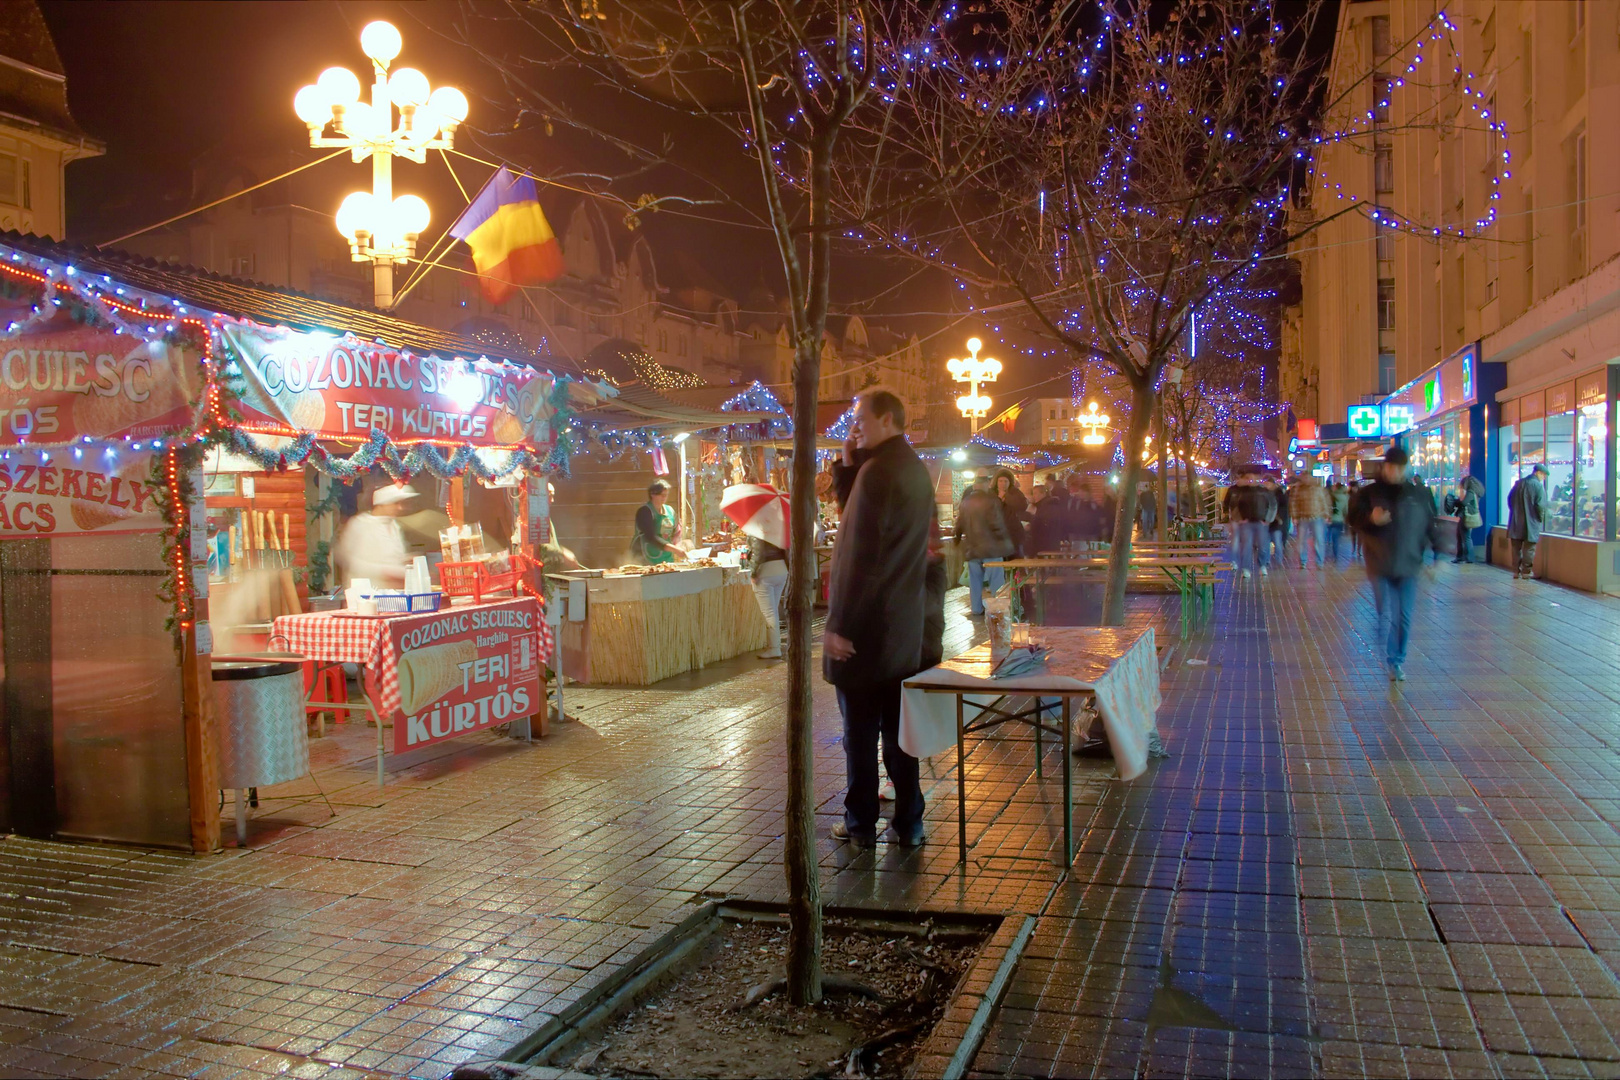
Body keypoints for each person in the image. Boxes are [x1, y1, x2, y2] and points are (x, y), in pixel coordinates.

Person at [823, 388, 932, 848]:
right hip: (901, 632)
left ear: (888, 419)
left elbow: (862, 555)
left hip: (868, 633)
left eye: (861, 417)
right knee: (898, 734)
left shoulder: (881, 473)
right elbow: (866, 522)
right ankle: (909, 822)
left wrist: (840, 624)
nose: (854, 425)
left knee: (861, 738)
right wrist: (849, 468)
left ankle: (860, 823)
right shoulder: (904, 468)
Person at [1347, 446, 1435, 682]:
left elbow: (1430, 525)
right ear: (1385, 467)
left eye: (1400, 468)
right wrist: (1371, 520)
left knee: (1403, 616)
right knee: (1382, 610)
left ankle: (1395, 660)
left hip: (1408, 564)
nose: (1395, 472)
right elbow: (1353, 519)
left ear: (1406, 468)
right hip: (1380, 561)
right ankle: (1381, 636)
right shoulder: (1370, 494)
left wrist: (1438, 558)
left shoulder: (1419, 494)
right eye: (1391, 467)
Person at [954, 474, 1014, 616]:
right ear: (985, 484)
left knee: (975, 582)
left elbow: (959, 524)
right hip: (991, 549)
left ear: (975, 485)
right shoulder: (990, 500)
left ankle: (976, 609)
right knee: (996, 582)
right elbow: (997, 524)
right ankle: (997, 609)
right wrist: (1007, 545)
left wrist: (956, 538)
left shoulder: (965, 502)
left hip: (973, 549)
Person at [335, 482, 414, 588]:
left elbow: (391, 557)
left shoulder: (394, 525)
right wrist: (385, 572)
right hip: (365, 593)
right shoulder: (361, 524)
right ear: (381, 504)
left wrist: (406, 560)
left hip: (391, 594)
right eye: (395, 504)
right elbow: (348, 560)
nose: (400, 508)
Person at [1223, 471, 1276, 579]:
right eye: (1249, 478)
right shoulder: (1242, 492)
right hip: (1247, 522)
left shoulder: (1263, 491)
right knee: (1247, 546)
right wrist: (1238, 518)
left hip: (1260, 521)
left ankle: (1261, 565)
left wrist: (1268, 519)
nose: (1250, 481)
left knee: (1262, 546)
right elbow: (1235, 505)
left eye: (1253, 478)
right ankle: (1246, 568)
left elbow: (1272, 505)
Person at [750, 532, 788, 659]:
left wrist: (753, 572)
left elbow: (757, 552)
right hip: (782, 569)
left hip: (766, 571)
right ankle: (774, 645)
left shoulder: (757, 528)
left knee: (769, 613)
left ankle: (774, 648)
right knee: (774, 611)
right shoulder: (776, 526)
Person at [1506, 464, 1546, 580]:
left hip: (1516, 522)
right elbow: (1540, 506)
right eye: (1543, 475)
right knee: (1529, 548)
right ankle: (1526, 572)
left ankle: (1515, 571)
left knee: (1516, 548)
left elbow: (1510, 500)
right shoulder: (1538, 486)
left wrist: (1515, 512)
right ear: (1538, 473)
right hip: (1531, 522)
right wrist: (1540, 518)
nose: (1543, 478)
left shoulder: (1518, 483)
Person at [633, 479, 685, 564]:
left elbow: (677, 531)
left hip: (666, 557)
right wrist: (674, 549)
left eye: (666, 495)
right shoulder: (644, 511)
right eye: (661, 495)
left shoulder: (670, 510)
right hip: (645, 556)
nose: (664, 498)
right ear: (652, 494)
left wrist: (678, 545)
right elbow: (650, 537)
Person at [1291, 473, 1329, 569]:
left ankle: (1320, 561)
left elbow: (1324, 501)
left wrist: (1326, 514)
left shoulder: (1318, 488)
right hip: (1303, 517)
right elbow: (1293, 503)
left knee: (1319, 540)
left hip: (1317, 516)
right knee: (1301, 541)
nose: (1307, 479)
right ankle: (1303, 561)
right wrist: (1294, 516)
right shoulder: (1298, 489)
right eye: (1305, 478)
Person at [1445, 475, 1485, 565]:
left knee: (1466, 538)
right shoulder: (1476, 492)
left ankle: (1468, 558)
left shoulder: (1471, 492)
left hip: (1466, 517)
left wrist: (1456, 501)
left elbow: (1464, 502)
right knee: (1461, 536)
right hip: (1466, 516)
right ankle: (1462, 557)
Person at [1028, 476, 1072, 555]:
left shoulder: (1048, 506)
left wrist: (1033, 518)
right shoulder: (1043, 505)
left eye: (1035, 493)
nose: (1034, 496)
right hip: (1046, 542)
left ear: (1043, 494)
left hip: (1046, 543)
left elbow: (1045, 524)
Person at [993, 469, 1030, 557]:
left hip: (1013, 533)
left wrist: (1006, 497)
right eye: (1000, 481)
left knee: (1017, 559)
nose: (1003, 483)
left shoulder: (1015, 493)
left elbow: (1022, 506)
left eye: (1006, 481)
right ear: (996, 482)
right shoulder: (991, 493)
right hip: (997, 534)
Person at [1268, 478, 1291, 568]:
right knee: (1266, 542)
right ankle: (1267, 561)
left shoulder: (1279, 494)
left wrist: (1279, 518)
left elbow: (1283, 508)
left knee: (1277, 541)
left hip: (1276, 522)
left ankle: (1278, 560)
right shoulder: (1264, 493)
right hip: (1267, 521)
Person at [1327, 481, 1349, 562]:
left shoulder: (1330, 495)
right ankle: (1335, 555)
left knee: (1327, 535)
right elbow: (1346, 511)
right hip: (1339, 520)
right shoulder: (1344, 497)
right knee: (1336, 539)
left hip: (1328, 519)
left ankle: (1327, 544)